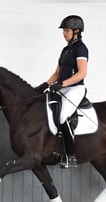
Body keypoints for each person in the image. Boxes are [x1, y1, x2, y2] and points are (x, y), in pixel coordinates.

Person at [36, 15, 88, 168]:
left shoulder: (81, 48)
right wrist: (44, 84)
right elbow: (56, 73)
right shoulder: (65, 49)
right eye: (63, 31)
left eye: (67, 30)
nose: (64, 33)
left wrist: (62, 84)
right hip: (63, 88)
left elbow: (81, 73)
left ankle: (71, 156)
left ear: (76, 31)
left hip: (76, 89)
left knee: (63, 116)